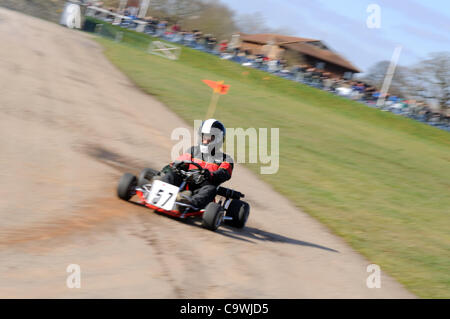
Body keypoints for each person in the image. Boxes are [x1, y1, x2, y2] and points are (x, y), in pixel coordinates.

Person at [155, 119, 234, 210]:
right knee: (172, 174)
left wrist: (210, 174)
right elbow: (178, 163)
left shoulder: (226, 159)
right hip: (185, 183)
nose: (205, 140)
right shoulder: (193, 151)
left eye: (210, 138)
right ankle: (160, 193)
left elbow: (224, 173)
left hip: (203, 188)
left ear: (218, 139)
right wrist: (172, 167)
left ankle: (188, 204)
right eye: (204, 136)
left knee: (210, 189)